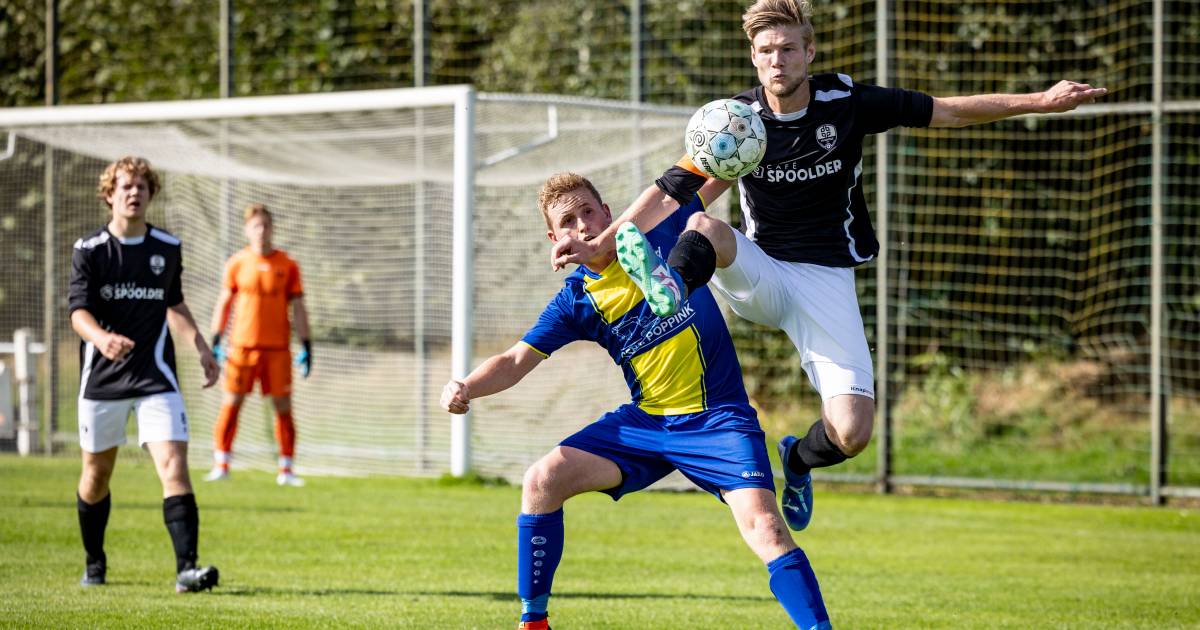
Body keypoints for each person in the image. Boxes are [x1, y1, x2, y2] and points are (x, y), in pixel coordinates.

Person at [551, 0, 1106, 532]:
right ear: (753, 56)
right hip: (761, 270)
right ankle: (670, 286)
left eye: (789, 49)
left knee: (853, 432)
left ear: (810, 51)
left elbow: (948, 110)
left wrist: (1040, 99)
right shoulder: (735, 123)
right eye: (766, 50)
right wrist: (601, 245)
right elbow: (671, 192)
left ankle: (796, 460)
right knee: (703, 225)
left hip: (826, 282)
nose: (777, 60)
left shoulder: (848, 102)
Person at [441, 172, 831, 630]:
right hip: (647, 425)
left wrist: (746, 136)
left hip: (718, 421)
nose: (583, 225)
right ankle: (533, 621)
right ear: (554, 238)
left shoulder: (657, 231)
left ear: (608, 213)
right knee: (542, 480)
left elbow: (712, 179)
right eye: (568, 221)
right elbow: (514, 359)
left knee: (765, 527)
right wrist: (465, 386)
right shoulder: (577, 300)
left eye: (588, 211)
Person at [69, 156, 221, 592]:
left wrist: (201, 347)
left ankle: (186, 571)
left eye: (142, 186)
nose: (134, 193)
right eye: (125, 187)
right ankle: (95, 561)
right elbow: (77, 312)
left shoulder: (167, 248)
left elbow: (174, 302)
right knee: (96, 476)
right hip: (102, 380)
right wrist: (100, 339)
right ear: (109, 195)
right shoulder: (90, 250)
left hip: (156, 377)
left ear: (151, 194)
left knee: (174, 466)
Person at [205, 203, 311, 487]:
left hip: (277, 349)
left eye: (265, 225)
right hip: (242, 348)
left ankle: (287, 469)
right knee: (231, 404)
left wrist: (307, 344)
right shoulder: (238, 263)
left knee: (283, 407)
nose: (261, 231)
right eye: (255, 226)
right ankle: (221, 463)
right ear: (247, 229)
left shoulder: (288, 265)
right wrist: (215, 339)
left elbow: (299, 307)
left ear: (272, 228)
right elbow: (225, 303)